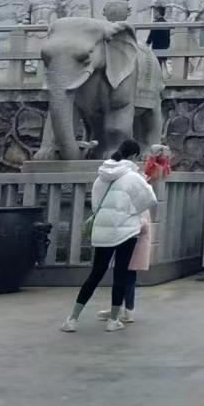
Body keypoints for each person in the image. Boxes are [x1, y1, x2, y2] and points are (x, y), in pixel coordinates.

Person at [61, 140, 157, 333]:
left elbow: (96, 204)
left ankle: (72, 319)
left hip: (103, 230)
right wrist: (132, 211)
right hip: (126, 231)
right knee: (120, 274)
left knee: (95, 274)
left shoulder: (101, 176)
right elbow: (150, 199)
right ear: (134, 156)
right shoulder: (133, 177)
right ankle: (113, 320)